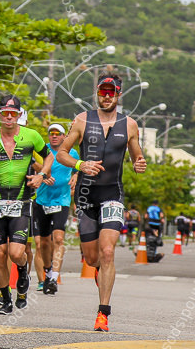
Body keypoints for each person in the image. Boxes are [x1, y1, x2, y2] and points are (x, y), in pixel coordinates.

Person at [56, 74, 146, 332]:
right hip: (85, 196)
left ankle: (103, 313)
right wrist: (80, 164)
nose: (106, 96)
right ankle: (98, 270)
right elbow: (62, 153)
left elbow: (136, 155)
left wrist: (139, 163)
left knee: (108, 252)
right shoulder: (82, 120)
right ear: (98, 93)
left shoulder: (129, 125)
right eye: (102, 92)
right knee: (93, 258)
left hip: (113, 194)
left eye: (111, 92)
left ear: (118, 95)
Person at [0, 94, 53, 315]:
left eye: (13, 114)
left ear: (19, 115)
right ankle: (6, 299)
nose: (8, 117)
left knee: (16, 253)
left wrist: (41, 176)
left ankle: (23, 272)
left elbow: (49, 157)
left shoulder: (31, 136)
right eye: (4, 113)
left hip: (21, 202)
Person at [33, 123, 78, 296]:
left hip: (62, 200)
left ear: (63, 136)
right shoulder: (42, 150)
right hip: (42, 200)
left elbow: (79, 167)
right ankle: (47, 270)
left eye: (57, 133)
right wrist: (44, 174)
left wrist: (76, 175)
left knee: (58, 239)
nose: (54, 136)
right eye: (51, 133)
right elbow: (33, 163)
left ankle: (53, 278)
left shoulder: (71, 153)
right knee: (43, 242)